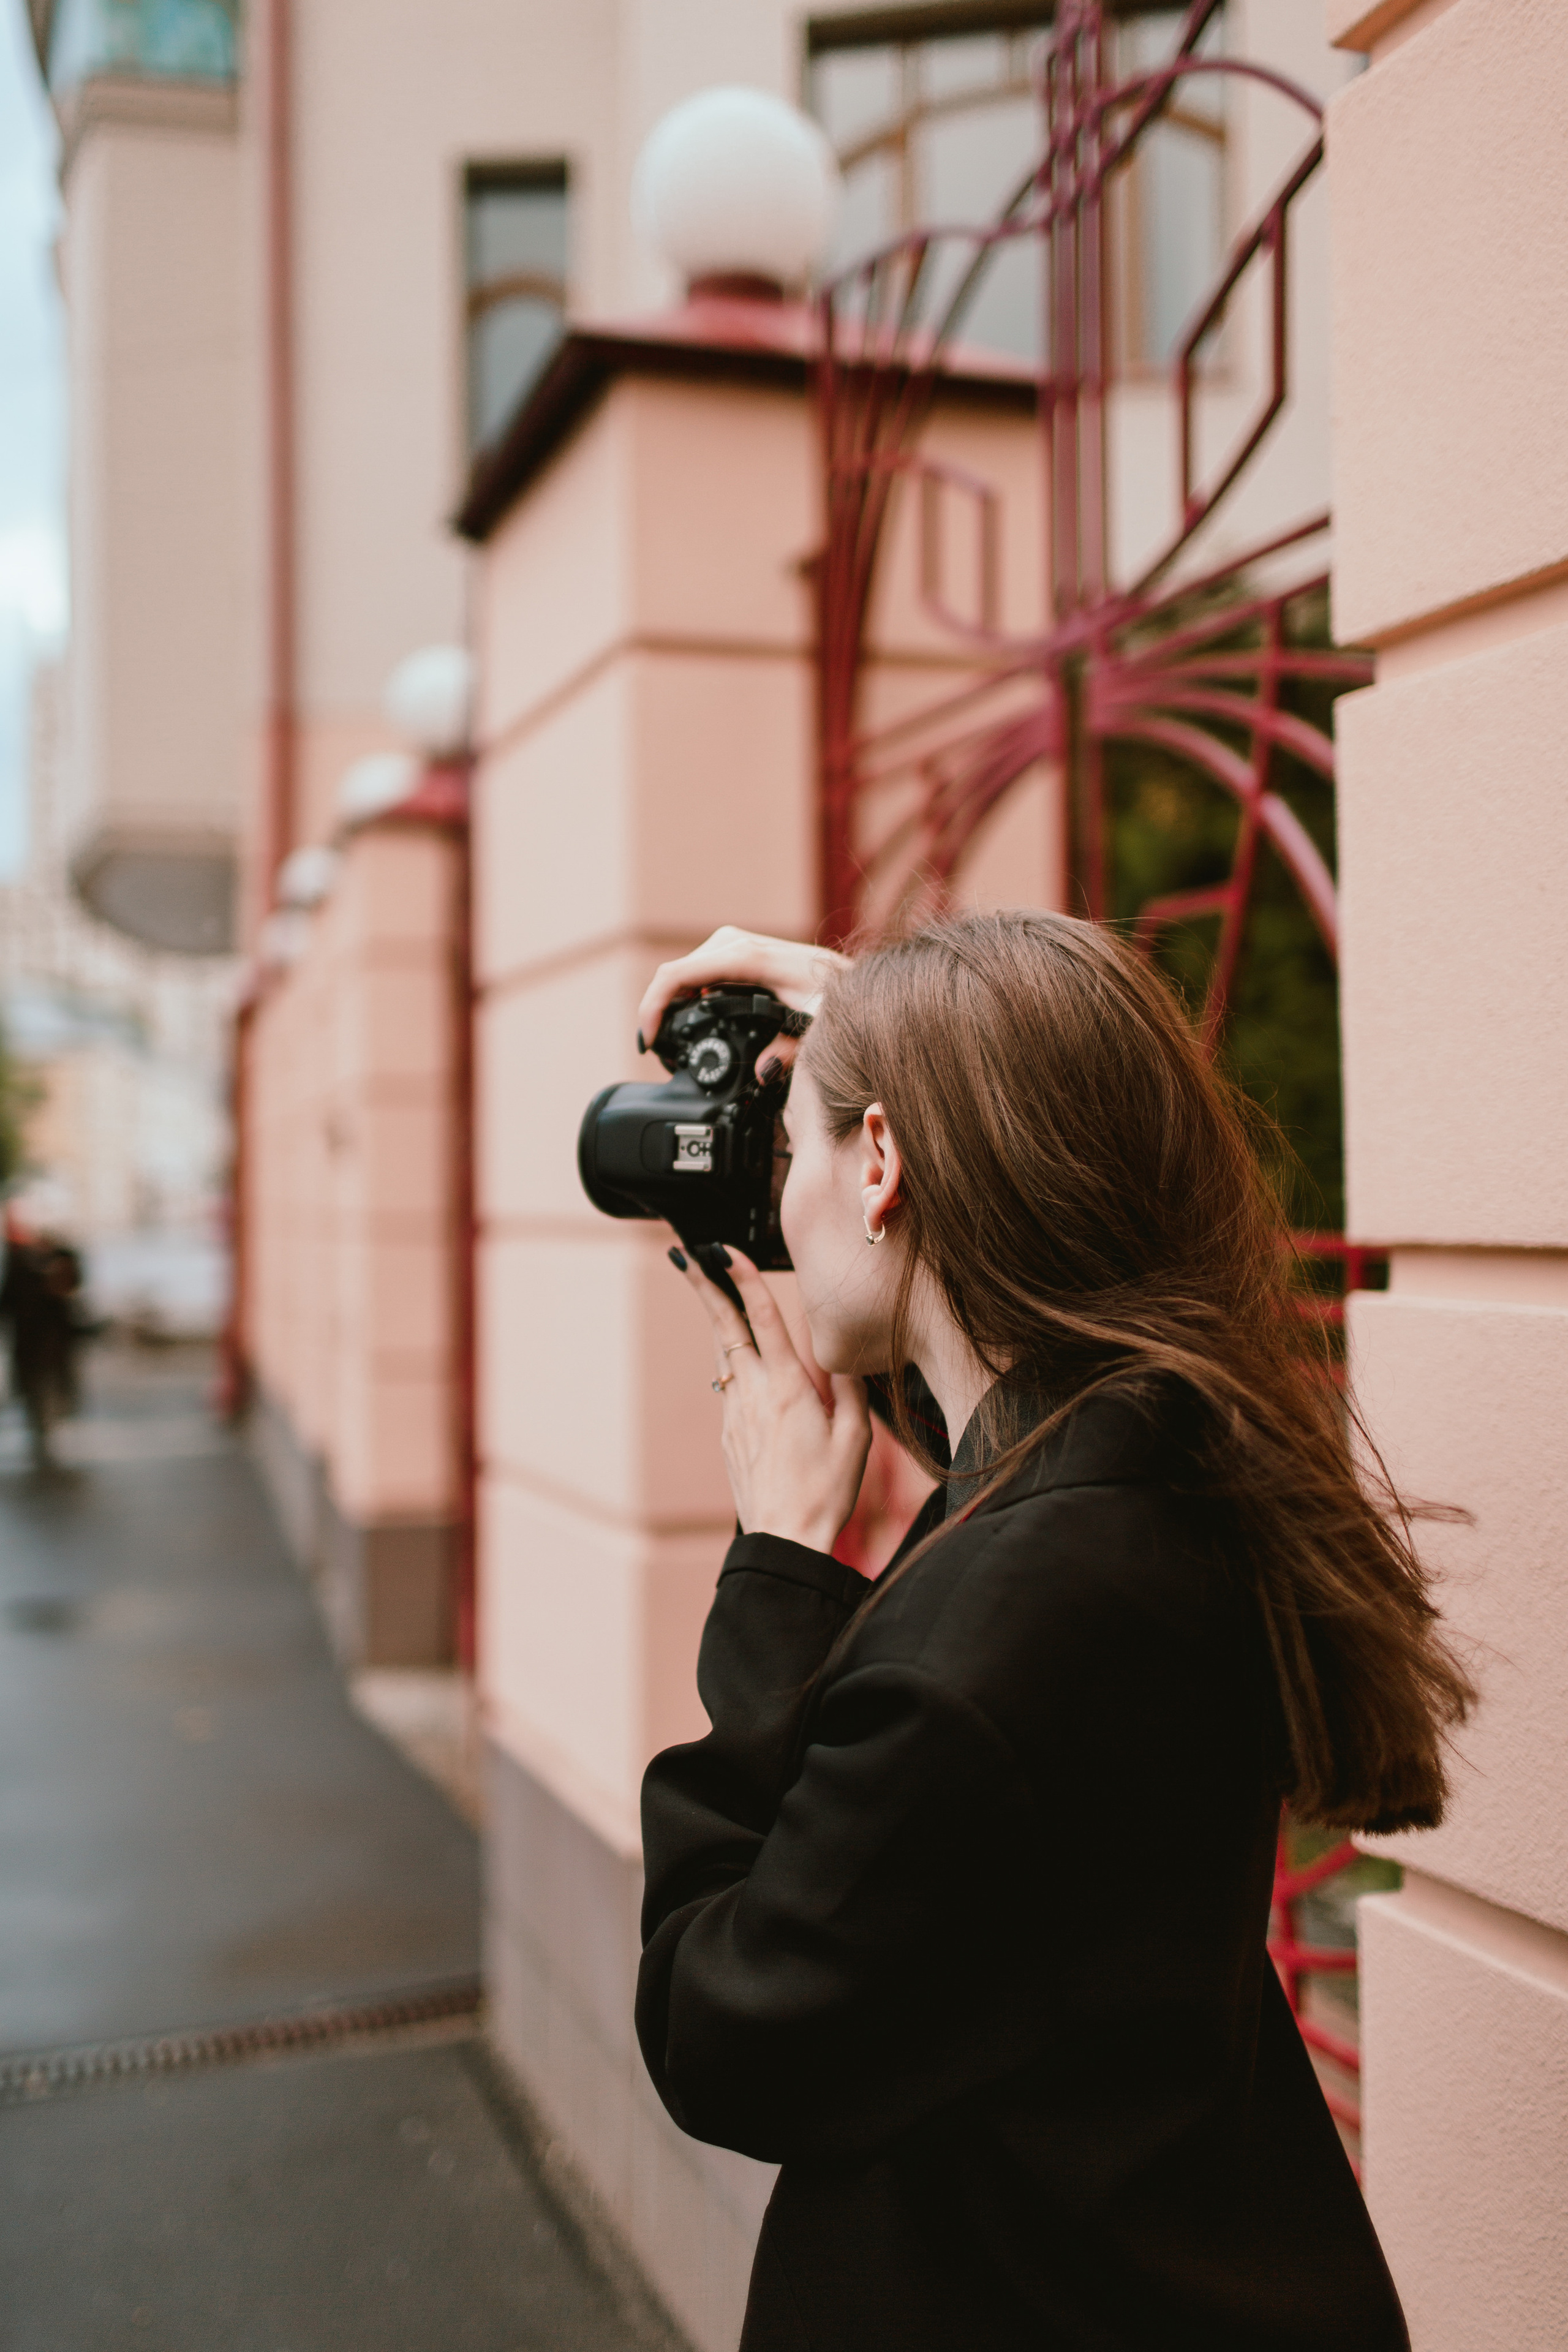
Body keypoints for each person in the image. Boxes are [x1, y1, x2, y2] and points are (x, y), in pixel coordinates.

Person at [632, 911, 1474, 2352]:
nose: (774, 1204)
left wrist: (776, 1558)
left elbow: (722, 2032)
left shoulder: (988, 1638)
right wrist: (899, 1025)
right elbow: (995, 1418)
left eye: (796, 1155)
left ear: (883, 1162)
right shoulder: (1156, 1459)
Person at [0, 1223, 86, 1469]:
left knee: (51, 1381)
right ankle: (42, 1427)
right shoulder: (20, 1265)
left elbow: (73, 1288)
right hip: (34, 1338)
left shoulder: (62, 1259)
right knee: (36, 1383)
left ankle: (49, 1423)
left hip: (53, 1338)